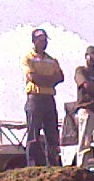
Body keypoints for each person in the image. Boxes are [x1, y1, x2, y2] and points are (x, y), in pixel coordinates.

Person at [21, 28, 64, 167]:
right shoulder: (28, 58)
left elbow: (61, 77)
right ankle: (32, 166)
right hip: (35, 98)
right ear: (34, 41)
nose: (44, 43)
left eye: (45, 40)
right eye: (41, 40)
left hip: (49, 99)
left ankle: (54, 165)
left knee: (52, 133)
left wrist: (44, 79)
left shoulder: (52, 60)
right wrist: (50, 80)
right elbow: (32, 77)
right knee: (33, 132)